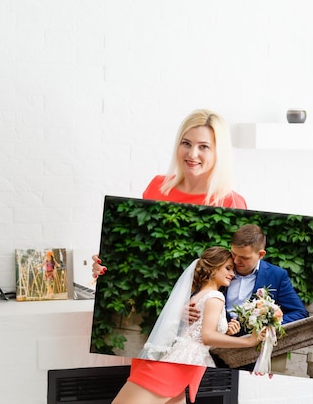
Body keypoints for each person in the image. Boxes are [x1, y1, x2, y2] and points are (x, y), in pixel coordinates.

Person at [93, 108, 247, 404]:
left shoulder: (230, 202)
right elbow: (132, 266)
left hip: (188, 343)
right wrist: (104, 265)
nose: (193, 154)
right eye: (186, 143)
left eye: (204, 146)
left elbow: (230, 279)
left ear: (219, 153)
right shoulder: (157, 188)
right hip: (163, 333)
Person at [139, 246, 266, 368]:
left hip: (179, 352)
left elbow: (198, 331)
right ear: (213, 269)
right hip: (193, 358)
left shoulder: (197, 296)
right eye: (228, 268)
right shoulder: (216, 296)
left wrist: (226, 331)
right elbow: (207, 337)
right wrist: (249, 341)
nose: (233, 274)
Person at [209, 223, 309, 370]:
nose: (236, 261)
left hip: (249, 357)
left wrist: (269, 323)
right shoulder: (220, 266)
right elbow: (202, 292)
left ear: (261, 254)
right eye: (234, 254)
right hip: (211, 350)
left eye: (244, 257)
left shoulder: (277, 275)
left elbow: (300, 313)